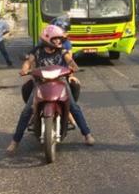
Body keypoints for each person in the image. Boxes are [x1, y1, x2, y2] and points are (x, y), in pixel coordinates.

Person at [6, 25, 94, 154]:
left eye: (60, 39)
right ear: (47, 38)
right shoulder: (37, 51)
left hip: (60, 81)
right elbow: (28, 62)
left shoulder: (62, 51)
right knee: (27, 110)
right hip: (40, 83)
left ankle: (87, 134)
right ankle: (15, 141)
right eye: (55, 39)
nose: (58, 41)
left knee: (74, 107)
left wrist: (73, 70)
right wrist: (25, 69)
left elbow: (70, 62)